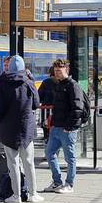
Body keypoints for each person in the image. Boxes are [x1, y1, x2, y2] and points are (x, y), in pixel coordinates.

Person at [0, 56, 42, 203]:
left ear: (9, 67)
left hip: (8, 129)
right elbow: (36, 104)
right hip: (26, 128)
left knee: (12, 163)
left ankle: (16, 196)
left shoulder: (2, 83)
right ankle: (33, 194)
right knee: (29, 162)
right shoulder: (28, 82)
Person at [39, 59, 85, 194]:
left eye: (59, 71)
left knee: (70, 158)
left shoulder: (73, 86)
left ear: (66, 71)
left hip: (67, 129)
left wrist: (70, 126)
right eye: (55, 71)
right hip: (56, 127)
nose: (57, 73)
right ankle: (57, 182)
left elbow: (78, 108)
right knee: (49, 153)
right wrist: (52, 122)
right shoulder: (60, 85)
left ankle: (69, 184)